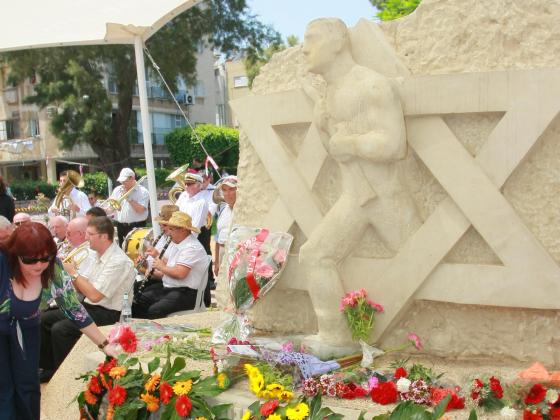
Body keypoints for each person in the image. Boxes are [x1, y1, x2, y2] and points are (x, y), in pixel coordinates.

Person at [297, 18, 421, 346]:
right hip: (355, 198)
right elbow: (336, 150)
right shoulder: (331, 93)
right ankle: (335, 337)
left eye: (311, 38)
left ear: (338, 42)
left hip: (385, 198)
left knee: (422, 261)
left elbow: (394, 144)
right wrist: (322, 122)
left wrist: (350, 143)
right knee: (315, 255)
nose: (304, 47)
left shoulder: (372, 85)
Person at [0, 222, 117, 419]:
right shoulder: (3, 264)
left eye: (45, 258)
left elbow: (74, 309)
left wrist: (104, 344)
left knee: (28, 384)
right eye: (30, 260)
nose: (39, 265)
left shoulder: (53, 269)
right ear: (15, 254)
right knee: (3, 387)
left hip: (27, 330)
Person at [39, 216, 134, 382]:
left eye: (90, 234)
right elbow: (82, 287)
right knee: (44, 318)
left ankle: (66, 375)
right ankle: (50, 367)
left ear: (103, 236)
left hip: (109, 312)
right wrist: (64, 277)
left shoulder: (118, 261)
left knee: (60, 329)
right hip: (90, 306)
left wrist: (73, 273)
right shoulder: (95, 255)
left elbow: (95, 295)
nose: (86, 237)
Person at [131, 212, 208, 319]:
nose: (168, 232)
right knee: (138, 302)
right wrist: (147, 263)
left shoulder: (192, 247)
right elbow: (170, 264)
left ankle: (159, 334)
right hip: (171, 288)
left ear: (183, 229)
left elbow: (180, 273)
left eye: (171, 229)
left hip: (187, 293)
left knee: (155, 310)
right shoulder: (178, 243)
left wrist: (161, 266)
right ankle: (141, 332)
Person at [133, 204, 177, 299]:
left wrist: (156, 256)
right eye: (160, 224)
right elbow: (152, 267)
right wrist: (144, 265)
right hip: (157, 279)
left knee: (141, 297)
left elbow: (171, 272)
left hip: (168, 284)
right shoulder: (162, 238)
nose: (161, 228)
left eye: (164, 225)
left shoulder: (177, 242)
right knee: (131, 288)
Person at [108, 168, 149, 246]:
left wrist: (128, 198)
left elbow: (140, 210)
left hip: (137, 227)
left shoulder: (143, 192)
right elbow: (113, 208)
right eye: (121, 181)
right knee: (123, 252)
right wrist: (105, 210)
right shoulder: (117, 190)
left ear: (132, 178)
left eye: (124, 181)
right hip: (121, 226)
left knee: (135, 253)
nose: (122, 183)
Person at [213, 176, 237, 277]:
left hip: (236, 255)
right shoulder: (222, 209)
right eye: (225, 190)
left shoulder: (242, 211)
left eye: (231, 189)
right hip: (223, 252)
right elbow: (217, 238)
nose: (227, 193)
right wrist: (217, 262)